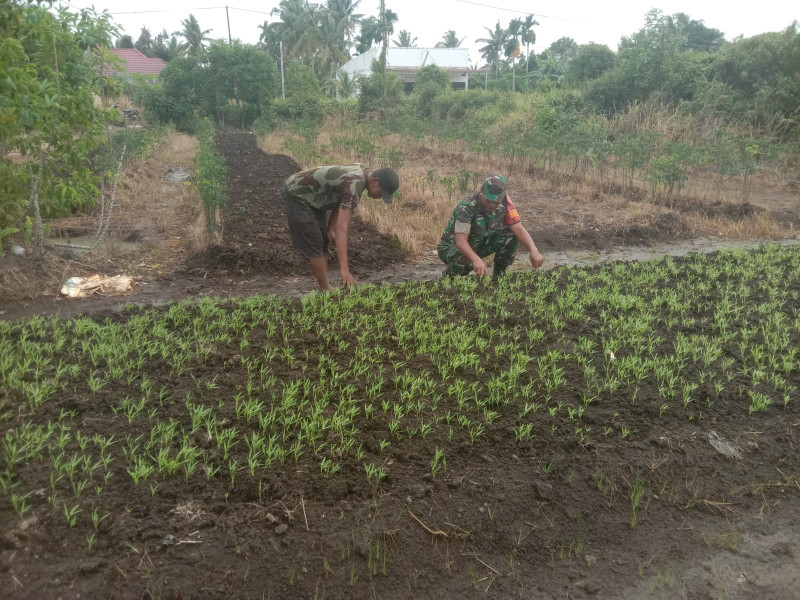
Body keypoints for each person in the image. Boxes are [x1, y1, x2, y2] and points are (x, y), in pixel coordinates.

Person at [283, 164, 399, 290]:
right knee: (315, 242)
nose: (379, 197)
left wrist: (330, 228)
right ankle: (325, 288)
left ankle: (324, 286)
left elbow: (339, 200)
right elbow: (342, 228)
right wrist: (344, 270)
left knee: (323, 239)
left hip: (314, 195)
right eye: (381, 192)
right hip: (297, 192)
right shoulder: (354, 185)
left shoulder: (363, 171)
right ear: (375, 180)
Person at [438, 174, 544, 278]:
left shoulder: (505, 202)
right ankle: (449, 275)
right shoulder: (466, 207)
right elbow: (461, 241)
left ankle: (499, 276)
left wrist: (533, 250)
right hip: (452, 247)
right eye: (488, 200)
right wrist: (476, 260)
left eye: (496, 202)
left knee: (511, 234)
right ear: (482, 191)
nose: (492, 205)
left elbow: (518, 229)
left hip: (480, 244)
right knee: (466, 262)